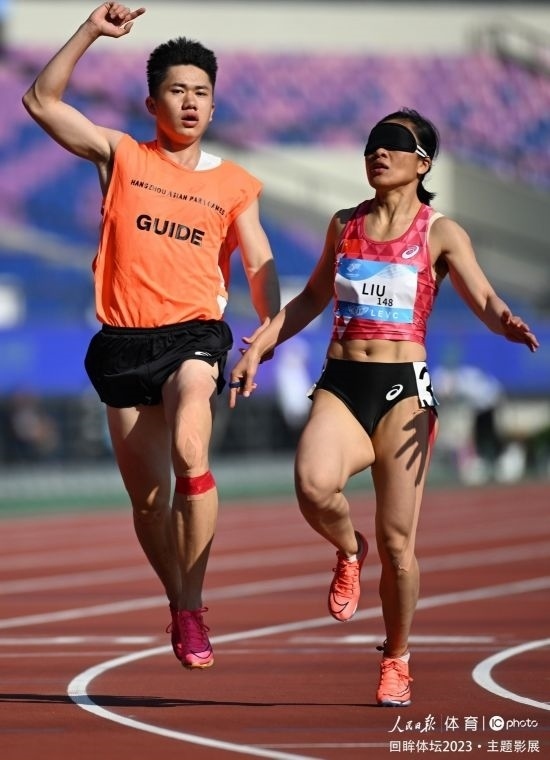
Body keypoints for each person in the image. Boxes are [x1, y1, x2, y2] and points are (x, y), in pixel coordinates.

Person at [229, 108, 538, 706]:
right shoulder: (344, 224)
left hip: (403, 392)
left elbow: (482, 295)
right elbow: (312, 297)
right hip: (343, 382)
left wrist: (504, 320)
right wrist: (260, 346)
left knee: (399, 547)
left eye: (393, 143)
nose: (378, 152)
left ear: (423, 163)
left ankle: (396, 657)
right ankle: (349, 549)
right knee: (312, 485)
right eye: (372, 142)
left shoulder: (440, 232)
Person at [22, 3, 280, 671]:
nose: (190, 102)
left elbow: (258, 261)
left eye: (201, 92)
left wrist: (267, 328)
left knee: (191, 447)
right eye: (177, 90)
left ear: (214, 106)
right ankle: (179, 604)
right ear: (151, 102)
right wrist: (90, 31)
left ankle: (193, 604)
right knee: (148, 503)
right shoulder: (121, 156)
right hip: (123, 342)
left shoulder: (235, 184)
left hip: (194, 334)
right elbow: (40, 101)